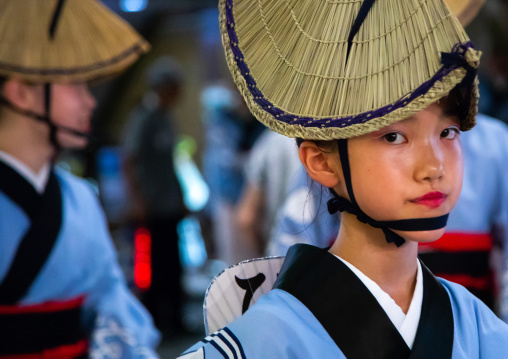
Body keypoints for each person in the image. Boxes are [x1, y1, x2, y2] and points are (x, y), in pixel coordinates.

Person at [179, 0, 508, 357]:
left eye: (450, 131)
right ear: (320, 161)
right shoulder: (261, 342)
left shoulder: (482, 329)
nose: (434, 167)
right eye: (394, 137)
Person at [0, 0, 160, 357]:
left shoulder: (80, 197)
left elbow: (112, 306)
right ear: (21, 92)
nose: (89, 102)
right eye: (75, 85)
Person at [122, 56, 187, 337]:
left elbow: (170, 161)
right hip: (150, 208)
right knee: (152, 267)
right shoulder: (144, 117)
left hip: (169, 204)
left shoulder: (165, 118)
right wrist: (137, 200)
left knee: (173, 264)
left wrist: (181, 194)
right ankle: (155, 322)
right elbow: (128, 159)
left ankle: (175, 318)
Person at [236, 129, 301, 258]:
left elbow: (245, 218)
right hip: (327, 256)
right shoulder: (331, 140)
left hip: (280, 252)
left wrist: (261, 259)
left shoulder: (270, 141)